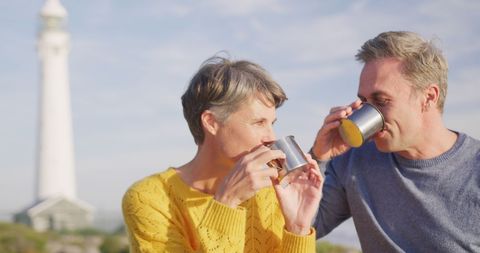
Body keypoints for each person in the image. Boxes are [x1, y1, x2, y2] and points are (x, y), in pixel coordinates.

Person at [122, 56, 323, 252]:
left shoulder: (271, 193)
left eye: (272, 123)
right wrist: (226, 204)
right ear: (211, 122)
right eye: (259, 123)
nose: (271, 136)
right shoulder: (149, 198)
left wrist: (297, 229)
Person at [310, 31, 480, 252]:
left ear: (428, 97)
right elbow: (303, 223)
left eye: (381, 101)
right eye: (363, 101)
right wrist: (317, 157)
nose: (368, 113)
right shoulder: (353, 158)